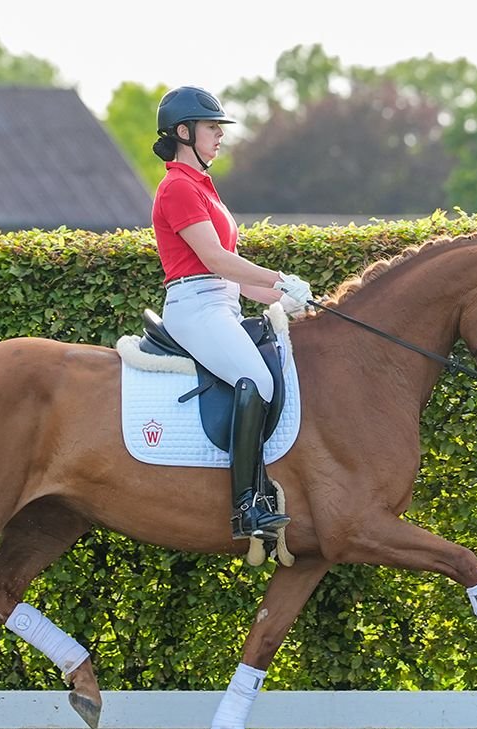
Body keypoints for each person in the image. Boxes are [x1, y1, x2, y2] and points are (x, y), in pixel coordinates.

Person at [150, 85, 314, 543]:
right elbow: (217, 260)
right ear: (183, 132)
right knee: (257, 381)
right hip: (195, 307)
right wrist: (280, 277)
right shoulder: (178, 187)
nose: (220, 136)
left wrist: (279, 299)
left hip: (219, 301)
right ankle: (247, 504)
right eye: (211, 128)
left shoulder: (203, 187)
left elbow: (233, 280)